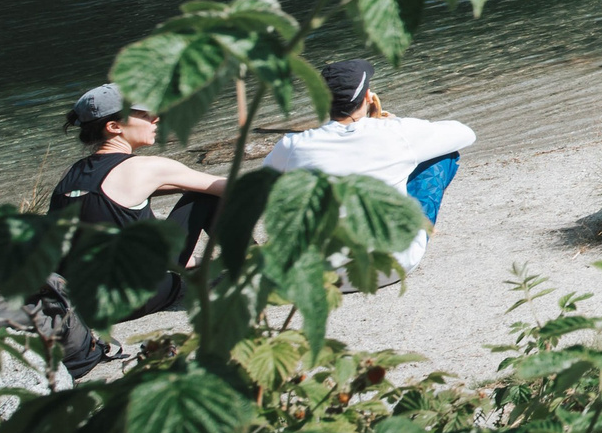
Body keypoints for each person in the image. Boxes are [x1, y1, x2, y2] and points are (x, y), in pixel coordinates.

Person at [265, 60, 474, 276]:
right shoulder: (396, 132)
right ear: (368, 97)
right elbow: (465, 133)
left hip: (321, 272)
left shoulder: (293, 145)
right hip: (394, 265)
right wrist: (393, 121)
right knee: (442, 155)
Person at [47, 82, 229, 319]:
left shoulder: (71, 174)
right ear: (114, 126)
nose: (156, 119)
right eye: (145, 115)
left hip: (78, 304)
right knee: (204, 195)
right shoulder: (148, 167)